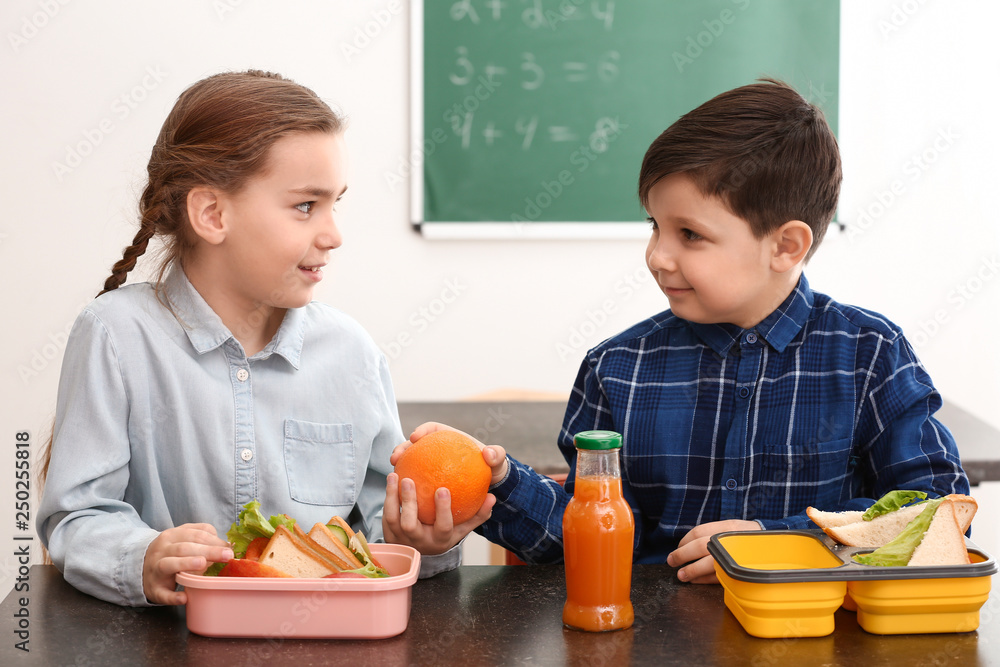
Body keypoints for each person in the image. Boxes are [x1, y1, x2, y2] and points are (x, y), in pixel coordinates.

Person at [407, 78, 969, 584]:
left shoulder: (869, 355)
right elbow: (579, 532)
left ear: (786, 245)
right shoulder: (617, 368)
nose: (657, 256)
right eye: (655, 226)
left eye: (690, 235)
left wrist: (788, 541)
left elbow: (936, 511)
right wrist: (498, 483)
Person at [36, 70, 489, 607]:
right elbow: (77, 516)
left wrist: (421, 543)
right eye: (305, 206)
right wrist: (142, 557)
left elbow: (378, 539)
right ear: (212, 214)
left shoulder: (351, 353)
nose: (334, 234)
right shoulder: (115, 336)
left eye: (335, 203)